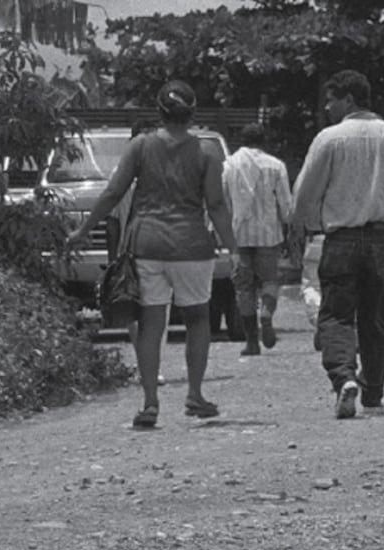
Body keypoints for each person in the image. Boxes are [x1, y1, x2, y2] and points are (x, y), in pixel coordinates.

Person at [69, 80, 236, 428]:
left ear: (159, 112)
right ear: (192, 114)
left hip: (147, 245)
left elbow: (113, 193)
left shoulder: (141, 146)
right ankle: (195, 395)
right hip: (192, 245)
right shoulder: (207, 152)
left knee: (150, 323)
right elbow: (216, 205)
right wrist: (235, 249)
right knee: (198, 319)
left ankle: (150, 403)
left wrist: (83, 231)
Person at [291, 70, 384, 419]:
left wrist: (301, 228)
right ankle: (373, 393)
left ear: (348, 99)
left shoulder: (329, 139)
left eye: (331, 100)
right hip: (381, 240)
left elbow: (304, 194)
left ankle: (344, 378)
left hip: (341, 239)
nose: (327, 107)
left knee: (336, 315)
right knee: (375, 318)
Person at [223, 122, 294, 357]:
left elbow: (223, 202)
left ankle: (251, 342)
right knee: (269, 280)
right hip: (268, 235)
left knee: (243, 288)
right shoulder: (276, 166)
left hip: (238, 235)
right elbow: (286, 204)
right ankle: (266, 312)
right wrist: (289, 228)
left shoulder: (229, 165)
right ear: (264, 141)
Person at [113, 119, 166, 388]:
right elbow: (113, 219)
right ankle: (148, 364)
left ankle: (151, 367)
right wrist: (113, 259)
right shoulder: (120, 174)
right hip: (132, 253)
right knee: (135, 312)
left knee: (154, 310)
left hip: (155, 251)